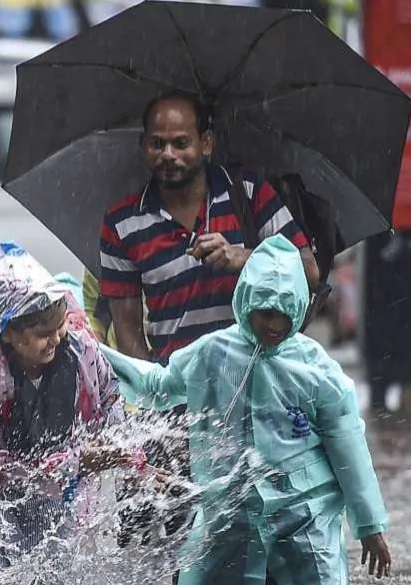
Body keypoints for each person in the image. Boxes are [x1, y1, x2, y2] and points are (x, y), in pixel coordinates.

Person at [100, 235, 392, 585]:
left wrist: (370, 525)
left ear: (298, 308)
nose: (272, 324)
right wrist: (95, 352)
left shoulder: (318, 371)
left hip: (303, 513)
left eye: (281, 314)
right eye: (263, 313)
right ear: (245, 304)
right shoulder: (213, 353)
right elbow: (157, 385)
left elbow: (348, 448)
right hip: (233, 512)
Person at [99, 91, 322, 555]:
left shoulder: (250, 196)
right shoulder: (121, 224)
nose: (168, 155)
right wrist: (157, 417)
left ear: (206, 143)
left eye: (181, 142)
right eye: (157, 143)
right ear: (144, 146)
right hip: (180, 402)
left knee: (270, 536)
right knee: (180, 547)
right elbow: (128, 332)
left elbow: (309, 269)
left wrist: (245, 258)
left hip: (260, 394)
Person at [0, 241, 146, 560]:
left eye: (60, 326)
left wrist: (132, 462)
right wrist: (78, 462)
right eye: (44, 333)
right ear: (8, 334)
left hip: (57, 466)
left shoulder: (79, 348)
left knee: (59, 570)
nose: (56, 339)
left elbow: (109, 398)